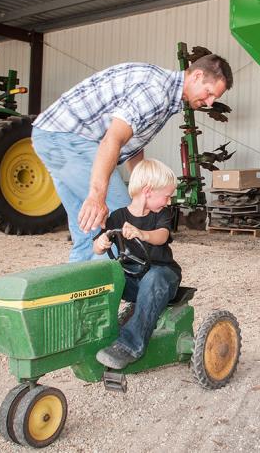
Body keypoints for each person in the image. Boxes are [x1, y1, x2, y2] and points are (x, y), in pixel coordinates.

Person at [31, 55, 233, 262]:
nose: (209, 102)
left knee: (88, 229)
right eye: (209, 93)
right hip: (69, 137)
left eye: (214, 98)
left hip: (52, 135)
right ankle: (110, 287)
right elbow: (113, 139)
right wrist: (97, 197)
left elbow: (132, 142)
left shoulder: (166, 94)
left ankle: (79, 290)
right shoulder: (156, 93)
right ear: (197, 76)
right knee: (121, 221)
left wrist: (143, 184)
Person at [92, 158, 182, 369]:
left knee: (154, 277)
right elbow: (97, 246)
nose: (168, 202)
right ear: (148, 191)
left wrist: (142, 234)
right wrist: (102, 242)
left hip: (163, 275)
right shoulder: (118, 216)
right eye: (167, 196)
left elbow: (162, 236)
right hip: (133, 278)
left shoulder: (162, 214)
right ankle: (98, 335)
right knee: (103, 277)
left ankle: (130, 346)